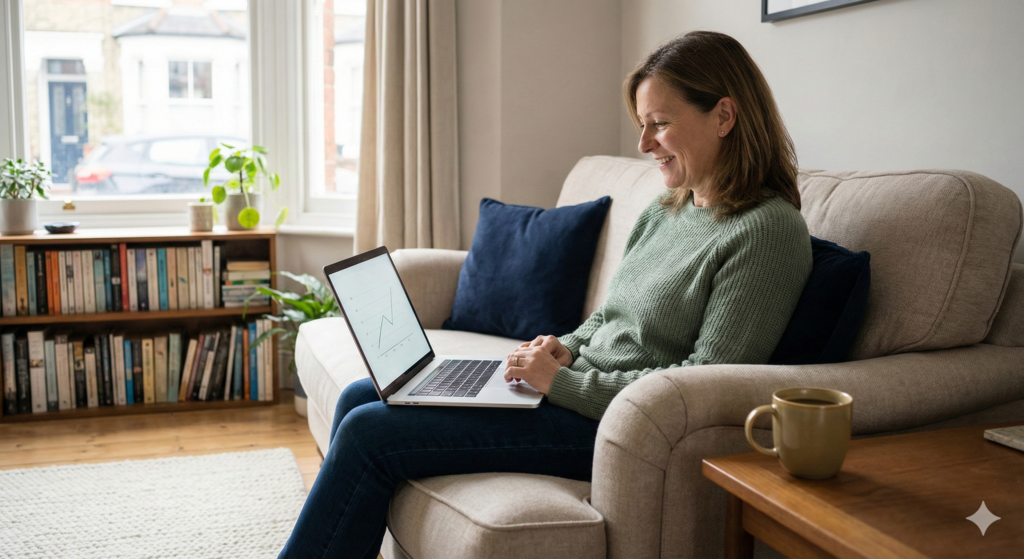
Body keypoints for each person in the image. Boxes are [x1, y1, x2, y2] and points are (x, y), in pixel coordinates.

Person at [280, 30, 812, 559]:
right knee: (358, 396)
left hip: (612, 427)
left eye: (661, 124)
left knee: (372, 432)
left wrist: (563, 383)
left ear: (724, 116)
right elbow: (609, 314)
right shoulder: (667, 209)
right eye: (642, 125)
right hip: (569, 393)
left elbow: (704, 384)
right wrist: (566, 347)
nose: (644, 145)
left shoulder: (766, 231)